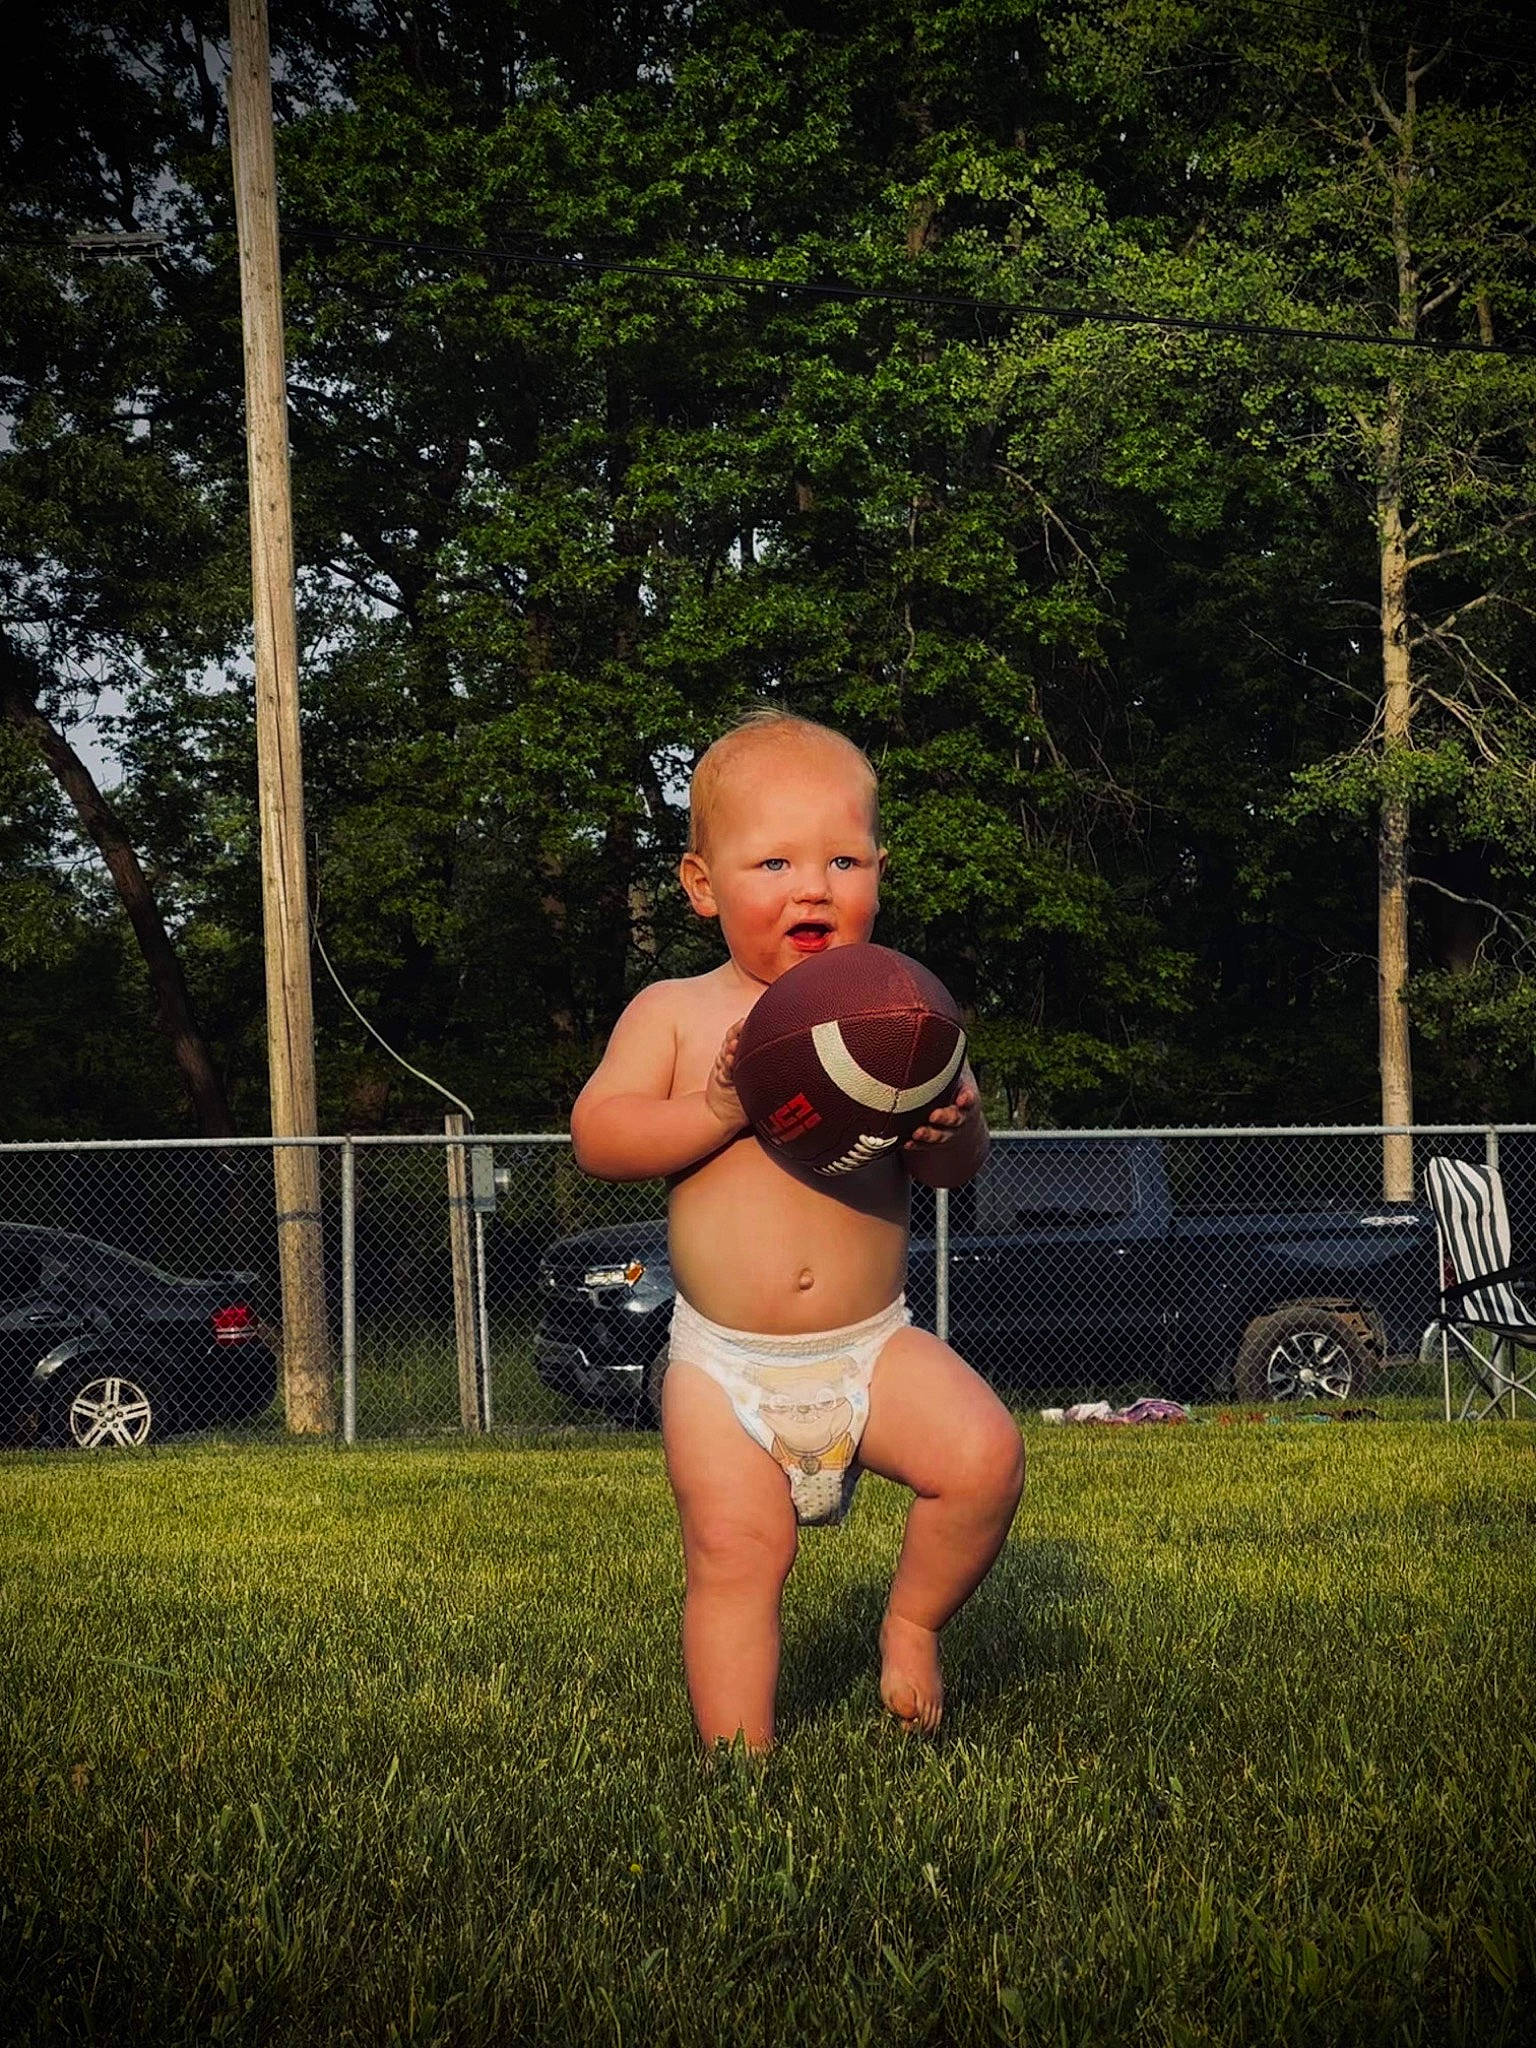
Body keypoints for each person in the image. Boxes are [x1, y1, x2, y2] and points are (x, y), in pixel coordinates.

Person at [571, 711, 1024, 1751]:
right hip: (727, 1369)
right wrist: (716, 1109)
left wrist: (958, 1123)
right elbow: (600, 1133)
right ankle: (741, 1761)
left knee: (987, 1454)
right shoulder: (680, 1014)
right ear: (701, 885)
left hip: (872, 1345)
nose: (811, 884)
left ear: (879, 870)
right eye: (772, 860)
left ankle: (911, 1621)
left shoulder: (901, 1021)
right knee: (737, 1554)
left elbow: (956, 1173)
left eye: (841, 858)